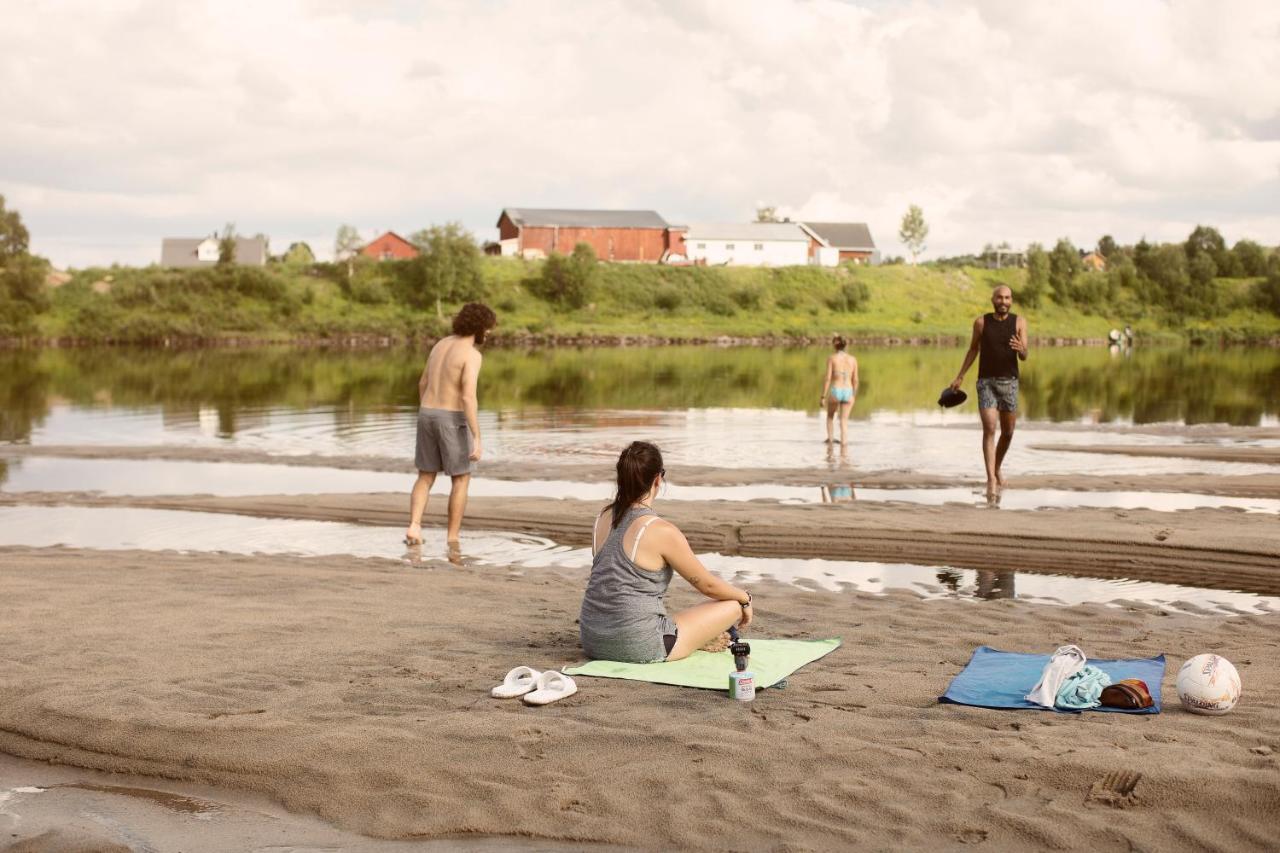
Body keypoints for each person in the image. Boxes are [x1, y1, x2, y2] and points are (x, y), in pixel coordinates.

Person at [580, 441, 753, 663]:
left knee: (667, 617)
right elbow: (707, 585)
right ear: (657, 479)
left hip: (592, 640)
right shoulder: (661, 530)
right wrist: (745, 599)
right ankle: (699, 640)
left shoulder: (603, 517)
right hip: (639, 645)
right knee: (732, 605)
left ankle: (698, 639)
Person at [404, 302, 498, 547]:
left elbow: (423, 383)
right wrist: (477, 437)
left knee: (425, 476)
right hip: (451, 419)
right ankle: (452, 538)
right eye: (488, 329)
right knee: (461, 478)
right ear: (479, 327)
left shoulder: (440, 344)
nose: (488, 333)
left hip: (426, 413)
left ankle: (414, 526)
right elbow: (468, 397)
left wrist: (428, 411)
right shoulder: (471, 355)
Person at [949, 285, 1028, 493]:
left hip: (1010, 383)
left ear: (1011, 300)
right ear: (993, 299)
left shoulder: (1019, 322)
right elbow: (973, 349)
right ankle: (991, 479)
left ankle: (997, 468)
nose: (1004, 301)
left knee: (1009, 432)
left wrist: (1022, 349)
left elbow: (1024, 355)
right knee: (990, 429)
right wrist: (960, 375)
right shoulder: (981, 323)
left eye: (1008, 298)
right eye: (1000, 297)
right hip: (986, 383)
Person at [820, 335, 858, 447]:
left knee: (830, 417)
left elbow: (827, 378)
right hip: (848, 391)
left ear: (835, 345)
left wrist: (823, 396)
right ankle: (844, 447)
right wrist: (853, 395)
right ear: (845, 345)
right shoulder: (853, 359)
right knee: (844, 421)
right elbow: (855, 379)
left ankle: (830, 442)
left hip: (836, 390)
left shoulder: (832, 358)